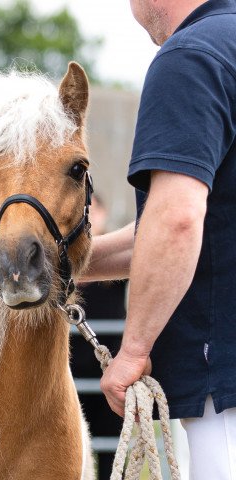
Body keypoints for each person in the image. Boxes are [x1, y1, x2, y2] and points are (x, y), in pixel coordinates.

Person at [82, 1, 236, 478]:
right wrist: (67, 263)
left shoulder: (190, 57)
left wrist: (132, 351)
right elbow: (178, 226)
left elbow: (177, 223)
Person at [70, 194, 126, 480]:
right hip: (71, 376)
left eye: (93, 209)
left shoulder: (113, 267)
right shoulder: (63, 266)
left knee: (111, 456)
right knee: (72, 451)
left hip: (107, 373)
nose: (88, 215)